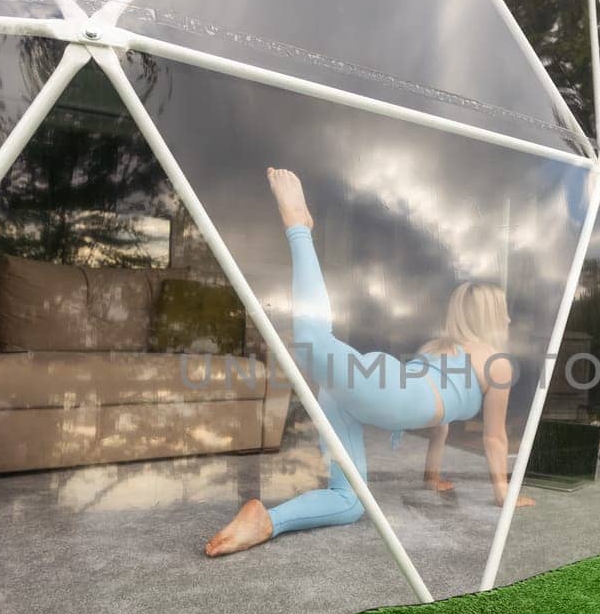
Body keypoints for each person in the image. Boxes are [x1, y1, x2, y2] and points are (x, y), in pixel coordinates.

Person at [206, 168, 534, 557]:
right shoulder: (496, 363)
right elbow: (495, 437)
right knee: (313, 341)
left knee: (349, 502)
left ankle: (266, 521)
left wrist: (432, 478)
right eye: (505, 313)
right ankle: (299, 227)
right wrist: (503, 494)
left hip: (370, 388)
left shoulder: (440, 348)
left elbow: (439, 426)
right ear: (492, 318)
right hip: (387, 390)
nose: (510, 320)